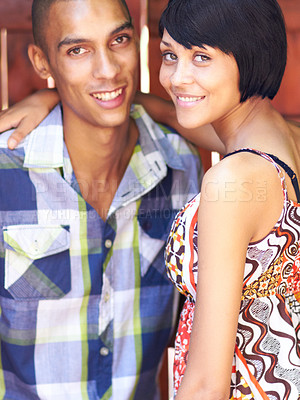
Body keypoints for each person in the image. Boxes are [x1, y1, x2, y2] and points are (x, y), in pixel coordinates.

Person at [0, 0, 203, 399]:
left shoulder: (179, 165)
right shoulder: (7, 172)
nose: (107, 69)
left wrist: (142, 101)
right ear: (42, 63)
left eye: (119, 40)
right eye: (77, 50)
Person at [159, 0, 300, 399]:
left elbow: (207, 385)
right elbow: (168, 113)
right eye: (170, 55)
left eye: (201, 57)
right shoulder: (286, 141)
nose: (177, 78)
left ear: (251, 57)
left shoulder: (231, 183)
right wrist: (56, 101)